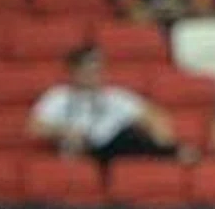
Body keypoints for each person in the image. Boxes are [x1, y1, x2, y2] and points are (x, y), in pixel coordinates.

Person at [28, 45, 179, 161]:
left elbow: (154, 116)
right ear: (73, 71)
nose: (94, 75)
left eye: (97, 70)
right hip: (82, 147)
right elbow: (35, 128)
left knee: (133, 136)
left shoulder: (115, 96)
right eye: (88, 70)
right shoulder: (58, 96)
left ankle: (170, 152)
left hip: (117, 144)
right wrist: (65, 131)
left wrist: (161, 134)